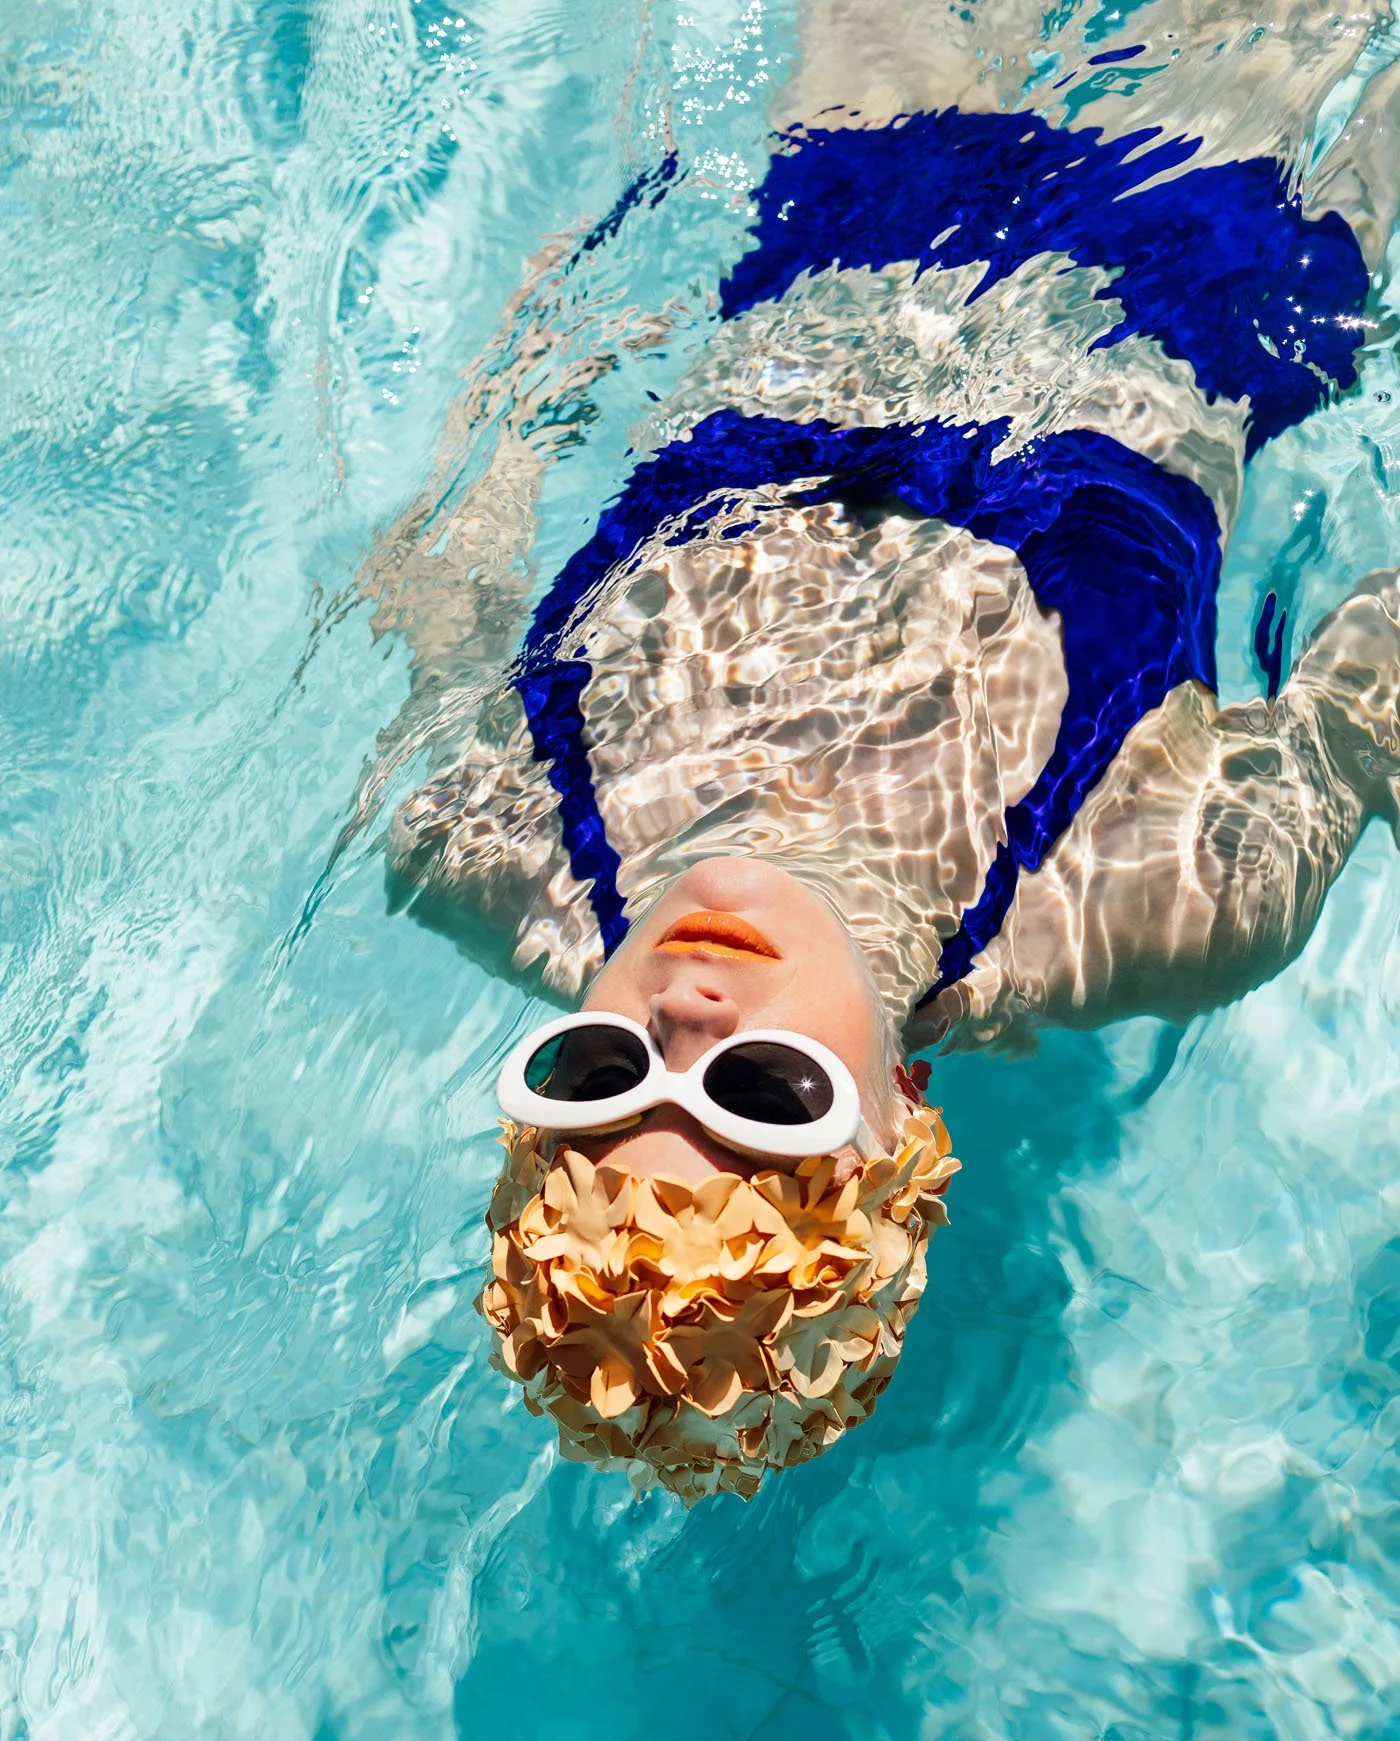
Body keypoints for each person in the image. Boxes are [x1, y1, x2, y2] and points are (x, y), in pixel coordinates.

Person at [363, 1, 1400, 1500]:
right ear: (901, 1117)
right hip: (1187, 279)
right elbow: (1368, 665)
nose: (689, 1011)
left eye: (600, 1069)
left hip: (842, 238)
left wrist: (527, 391)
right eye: (765, 1093)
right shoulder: (1144, 898)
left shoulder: (484, 839)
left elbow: (439, 599)